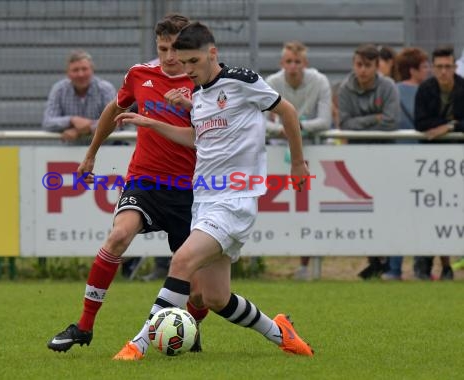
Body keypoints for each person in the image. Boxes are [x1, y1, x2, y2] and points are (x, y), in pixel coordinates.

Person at [112, 21, 314, 360]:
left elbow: (287, 111)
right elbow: (196, 140)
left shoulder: (241, 81)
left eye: (193, 62)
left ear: (212, 53)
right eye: (183, 62)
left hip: (234, 199)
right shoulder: (199, 96)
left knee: (181, 260)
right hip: (203, 199)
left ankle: (138, 345)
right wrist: (153, 124)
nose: (187, 69)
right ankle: (280, 332)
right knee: (214, 298)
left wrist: (297, 163)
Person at [47, 13, 209, 353]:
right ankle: (84, 326)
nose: (168, 58)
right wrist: (92, 152)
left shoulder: (204, 82)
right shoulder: (139, 75)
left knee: (202, 293)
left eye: (175, 50)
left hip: (189, 191)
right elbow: (112, 110)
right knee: (119, 235)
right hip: (144, 181)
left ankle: (185, 328)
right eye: (162, 48)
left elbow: (208, 136)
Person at [265, 40, 332, 280]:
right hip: (277, 151)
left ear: (305, 63)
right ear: (282, 63)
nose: (293, 66)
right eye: (289, 62)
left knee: (310, 209)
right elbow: (259, 121)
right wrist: (284, 131)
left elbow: (326, 121)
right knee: (272, 212)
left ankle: (308, 264)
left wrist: (295, 126)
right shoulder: (272, 82)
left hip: (312, 151)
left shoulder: (320, 81)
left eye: (298, 62)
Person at [339, 44, 399, 280]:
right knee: (362, 211)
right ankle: (374, 260)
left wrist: (360, 122)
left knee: (386, 210)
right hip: (357, 159)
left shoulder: (388, 86)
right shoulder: (345, 88)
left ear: (376, 67)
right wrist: (375, 118)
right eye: (359, 65)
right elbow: (344, 124)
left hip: (385, 158)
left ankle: (386, 262)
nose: (362, 70)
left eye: (368, 65)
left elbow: (392, 122)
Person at [414, 45, 464, 281]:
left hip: (458, 163)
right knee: (429, 214)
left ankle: (447, 265)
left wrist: (449, 126)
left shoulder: (463, 87)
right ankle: (424, 263)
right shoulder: (426, 89)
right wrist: (454, 121)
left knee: (453, 214)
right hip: (430, 163)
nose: (444, 72)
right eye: (439, 67)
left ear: (455, 67)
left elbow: (436, 125)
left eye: (448, 67)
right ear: (433, 68)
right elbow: (421, 123)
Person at [380, 47, 430, 280]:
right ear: (413, 69)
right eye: (424, 66)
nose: (428, 71)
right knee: (422, 214)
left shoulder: (392, 90)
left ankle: (394, 268)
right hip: (421, 160)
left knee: (396, 215)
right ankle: (422, 268)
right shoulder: (424, 91)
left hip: (395, 159)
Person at [42, 49, 116, 144]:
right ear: (68, 73)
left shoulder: (105, 89)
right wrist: (72, 120)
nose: (80, 74)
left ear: (92, 70)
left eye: (84, 69)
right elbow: (47, 122)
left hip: (104, 150)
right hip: (69, 153)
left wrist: (88, 128)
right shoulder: (59, 90)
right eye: (75, 70)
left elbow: (115, 121)